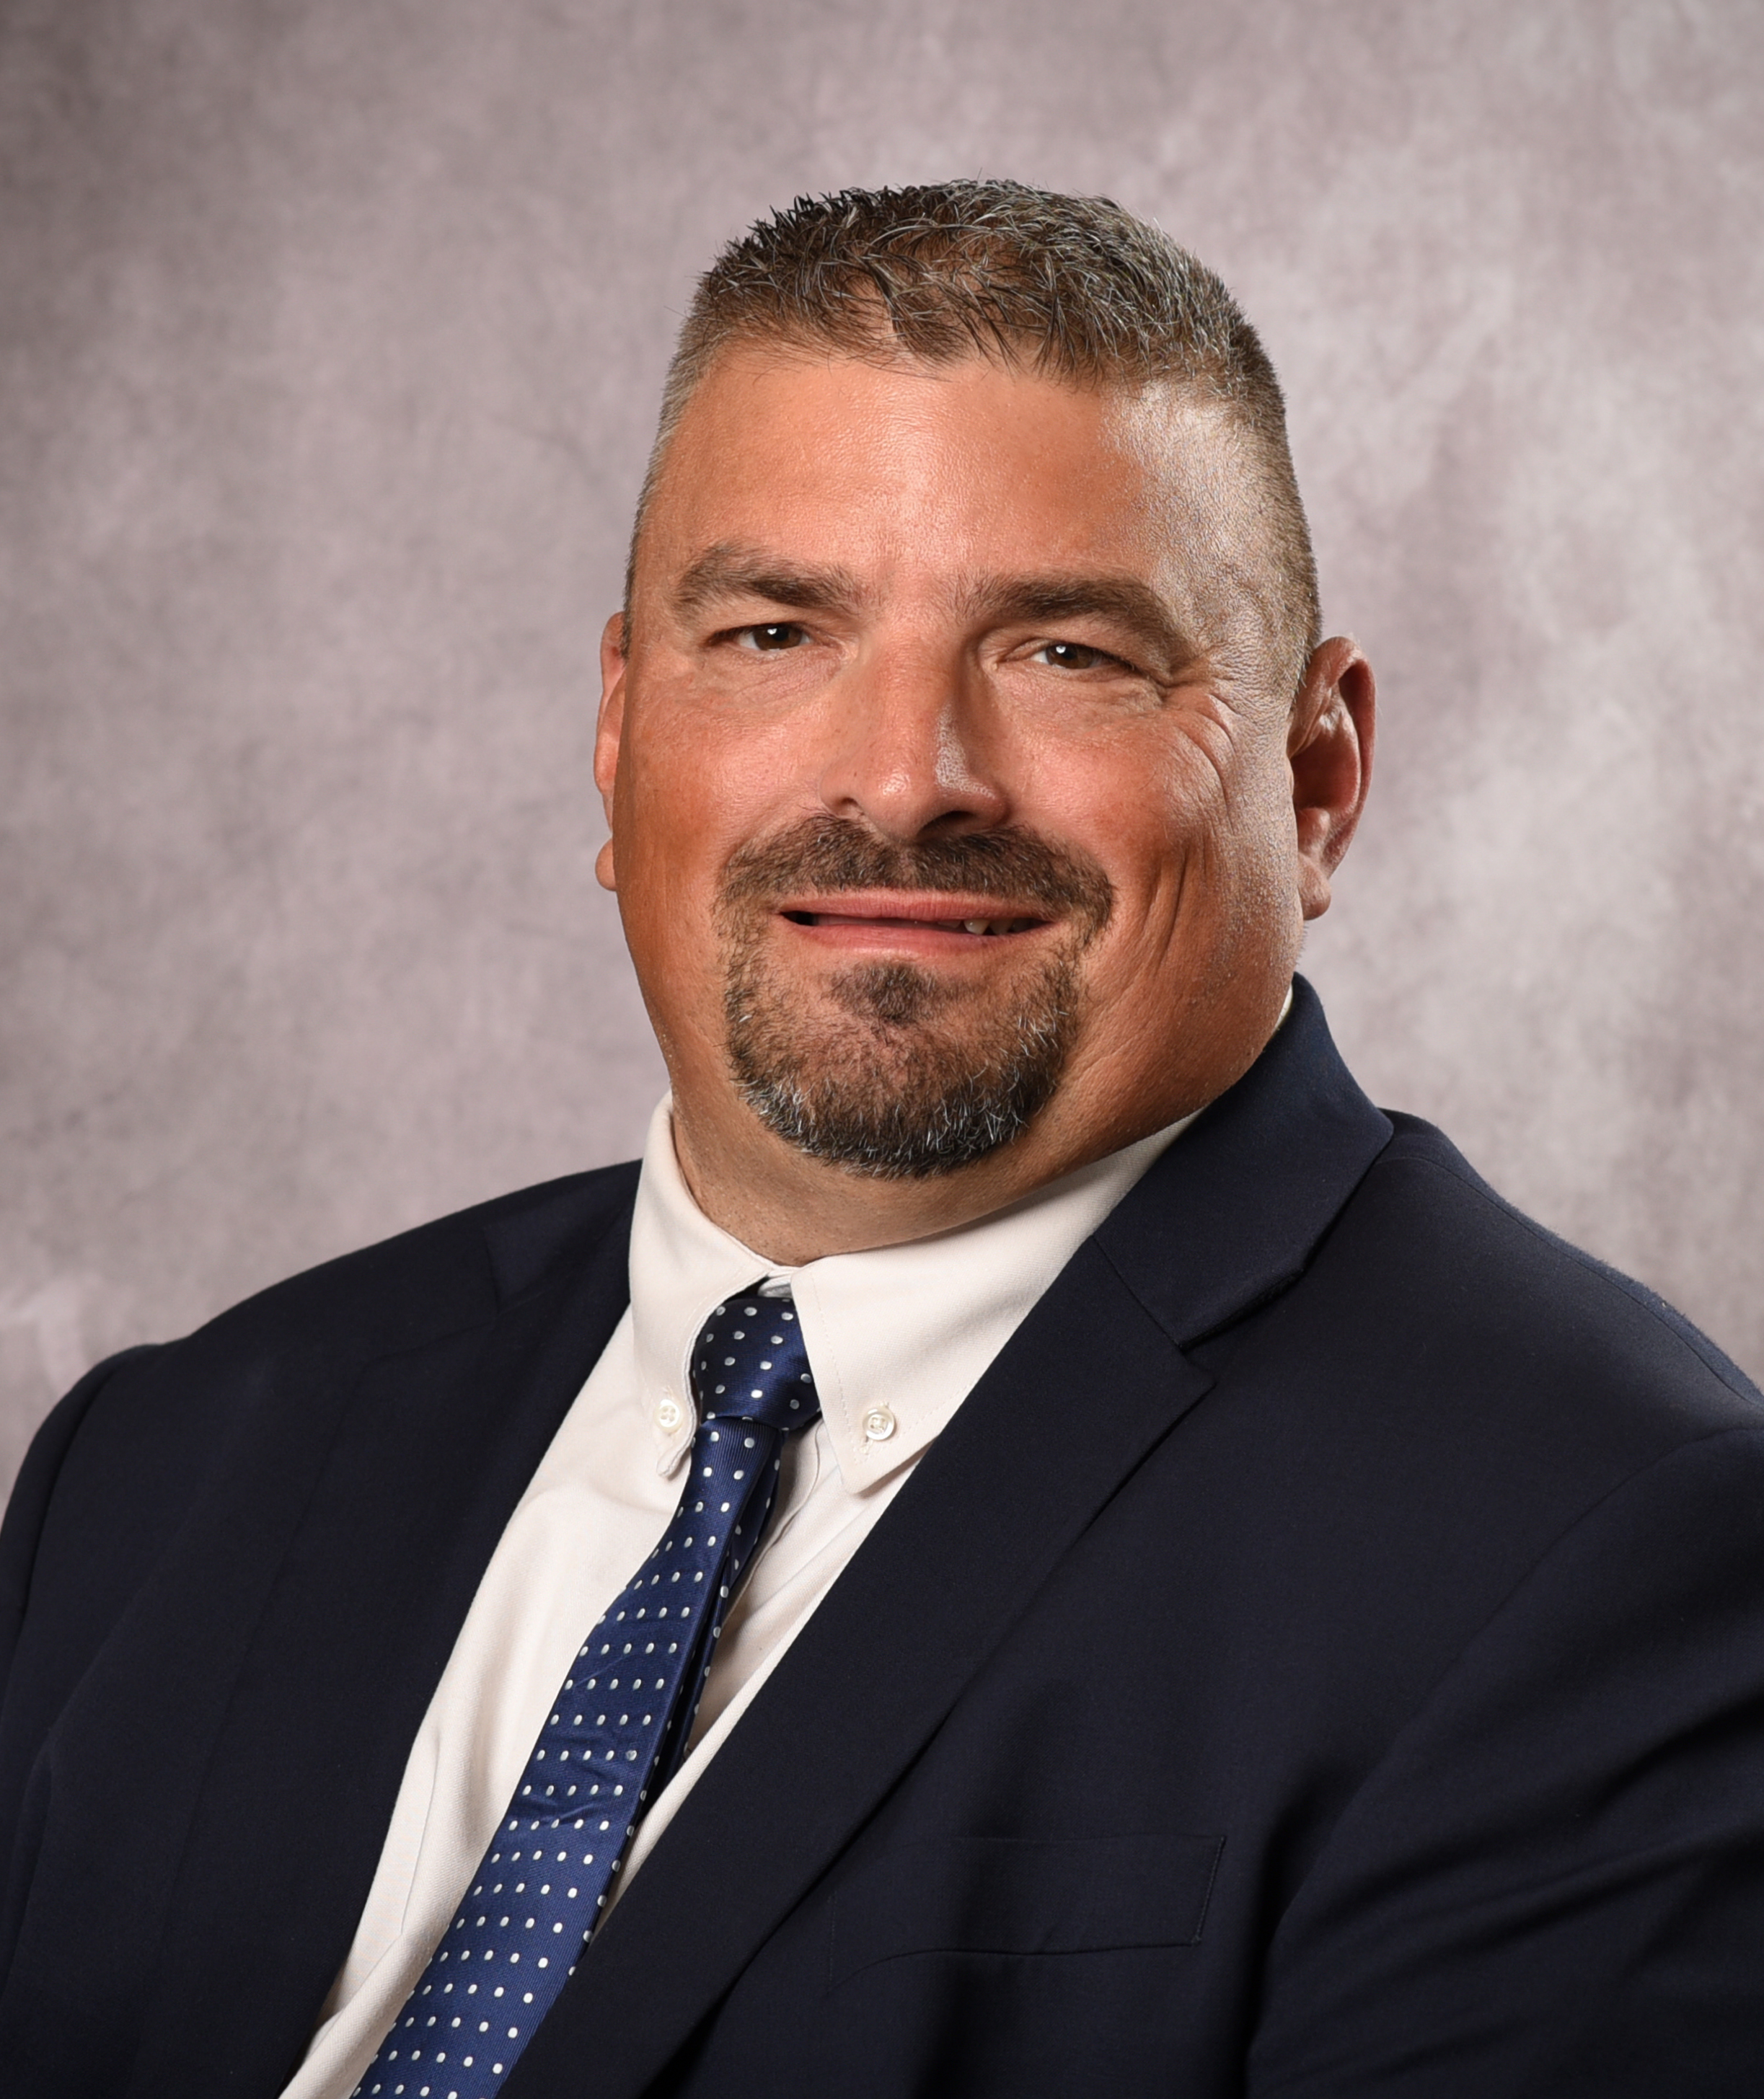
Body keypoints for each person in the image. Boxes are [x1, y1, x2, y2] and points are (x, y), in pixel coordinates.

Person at [1, 180, 1761, 2099]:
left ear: (1314, 778)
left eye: (1069, 652)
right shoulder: (169, 1460)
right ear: (619, 732)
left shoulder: (1601, 1544)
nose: (901, 775)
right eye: (772, 632)